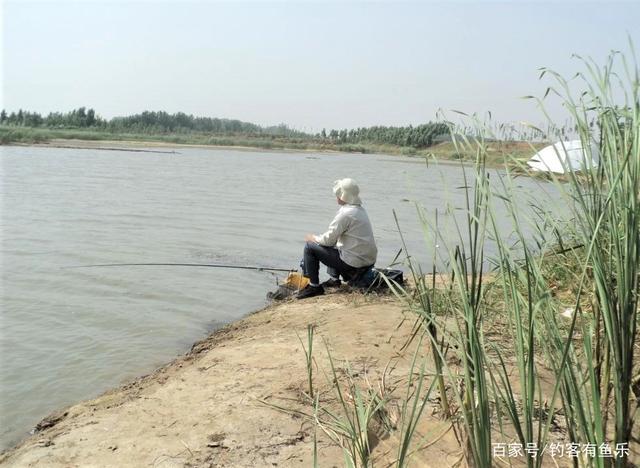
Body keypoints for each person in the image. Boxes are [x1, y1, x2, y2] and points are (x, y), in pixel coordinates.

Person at [297, 178, 377, 299]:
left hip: (354, 263)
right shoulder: (359, 210)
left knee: (310, 247)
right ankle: (334, 280)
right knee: (336, 243)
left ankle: (314, 287)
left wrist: (313, 238)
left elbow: (328, 240)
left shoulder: (346, 213)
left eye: (338, 194)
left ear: (343, 196)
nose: (336, 197)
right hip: (367, 260)